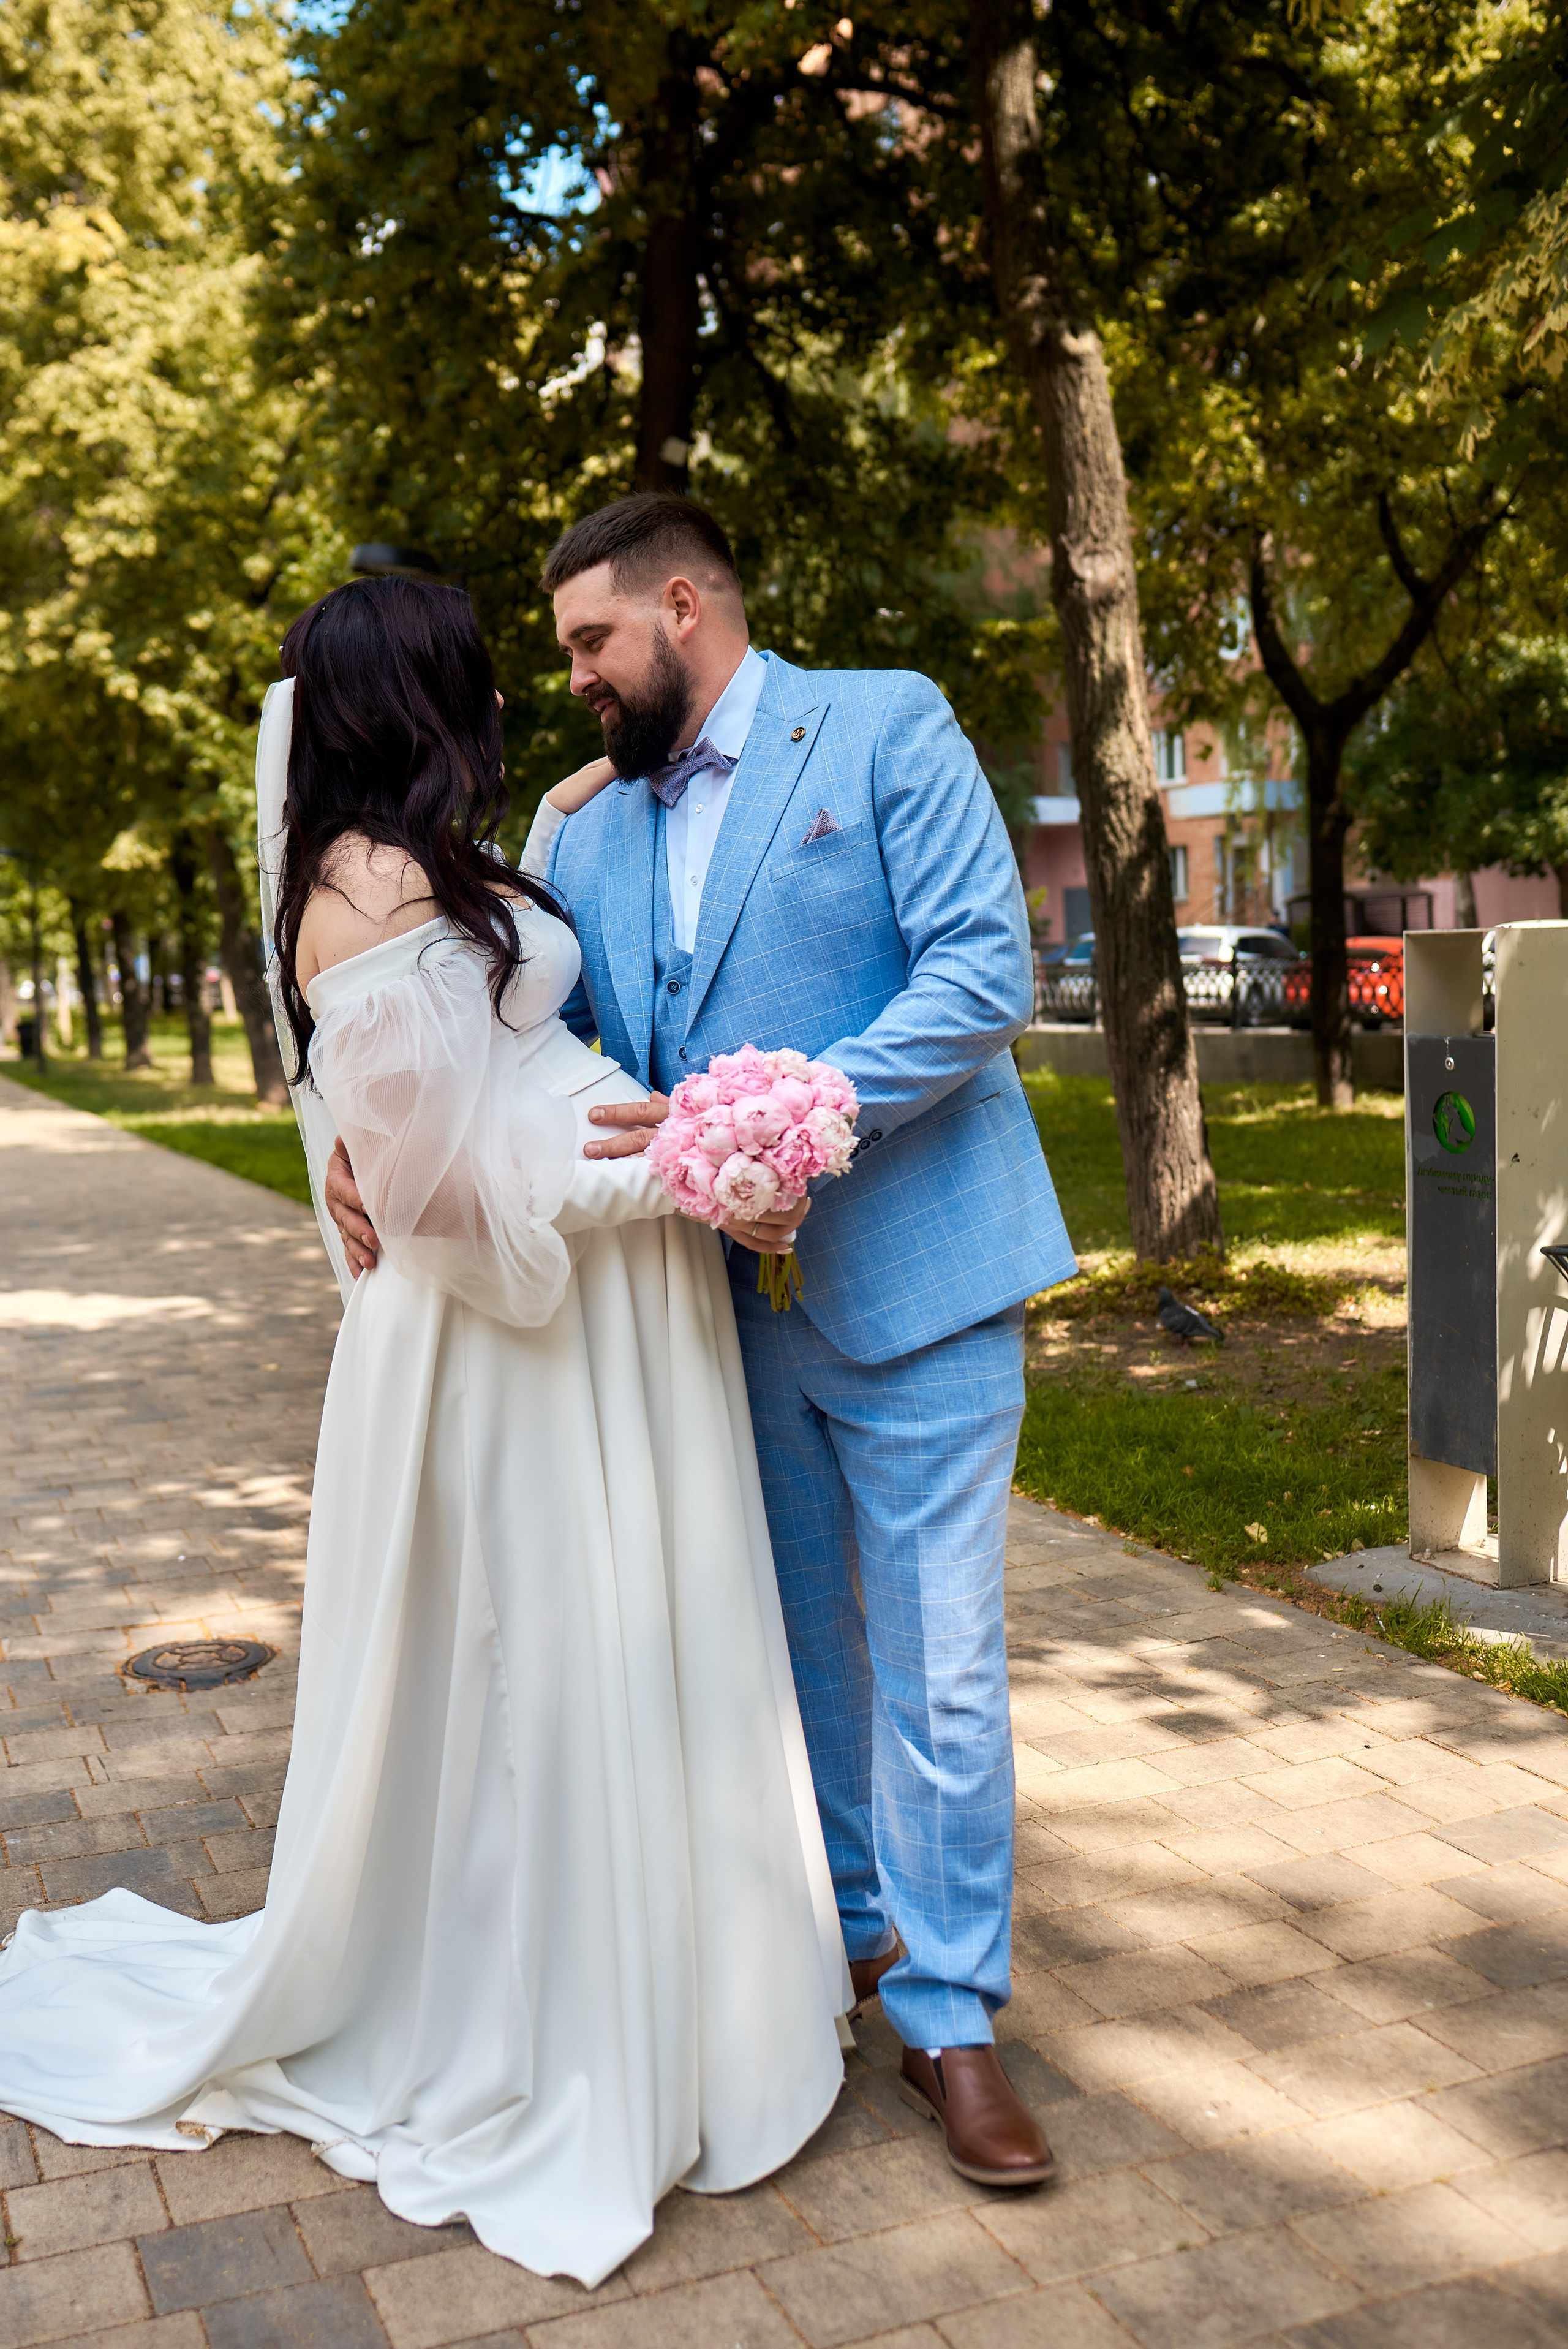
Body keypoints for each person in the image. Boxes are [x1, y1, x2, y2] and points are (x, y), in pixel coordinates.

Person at [0, 577, 848, 2288]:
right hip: (505, 1337)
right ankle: (548, 2018)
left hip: (575, 1319)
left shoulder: (430, 859)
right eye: (478, 671)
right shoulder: (368, 890)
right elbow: (452, 1203)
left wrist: (567, 853)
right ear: (416, 695)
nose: (512, 693)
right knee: (537, 1668)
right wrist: (677, 1161)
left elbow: (448, 1066)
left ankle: (668, 1986)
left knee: (607, 1652)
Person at [328, 495, 1078, 2185]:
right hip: (714, 1318)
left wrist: (798, 1110)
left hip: (922, 1279)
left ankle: (956, 2025)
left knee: (944, 1668)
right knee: (800, 1659)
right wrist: (366, 1134)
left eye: (594, 641)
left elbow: (980, 971)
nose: (578, 677)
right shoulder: (584, 836)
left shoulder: (886, 722)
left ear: (680, 605)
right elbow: (528, 1051)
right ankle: (860, 1944)